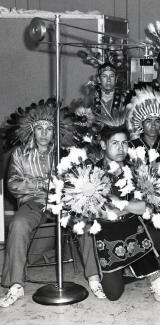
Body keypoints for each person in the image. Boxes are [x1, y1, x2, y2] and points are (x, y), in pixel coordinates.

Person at [87, 119, 160, 306]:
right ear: (103, 145)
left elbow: (145, 207)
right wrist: (128, 206)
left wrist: (119, 204)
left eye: (124, 143)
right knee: (114, 294)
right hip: (108, 237)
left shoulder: (136, 170)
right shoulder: (92, 173)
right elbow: (99, 213)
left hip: (137, 231)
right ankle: (132, 269)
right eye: (115, 143)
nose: (121, 148)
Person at [0, 100, 83, 306]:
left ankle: (94, 277)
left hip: (63, 203)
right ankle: (16, 285)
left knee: (86, 221)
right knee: (18, 224)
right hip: (33, 204)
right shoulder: (20, 154)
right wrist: (44, 184)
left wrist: (59, 190)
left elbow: (74, 181)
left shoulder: (64, 153)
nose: (44, 133)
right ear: (32, 131)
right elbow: (13, 184)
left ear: (55, 132)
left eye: (48, 128)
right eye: (39, 128)